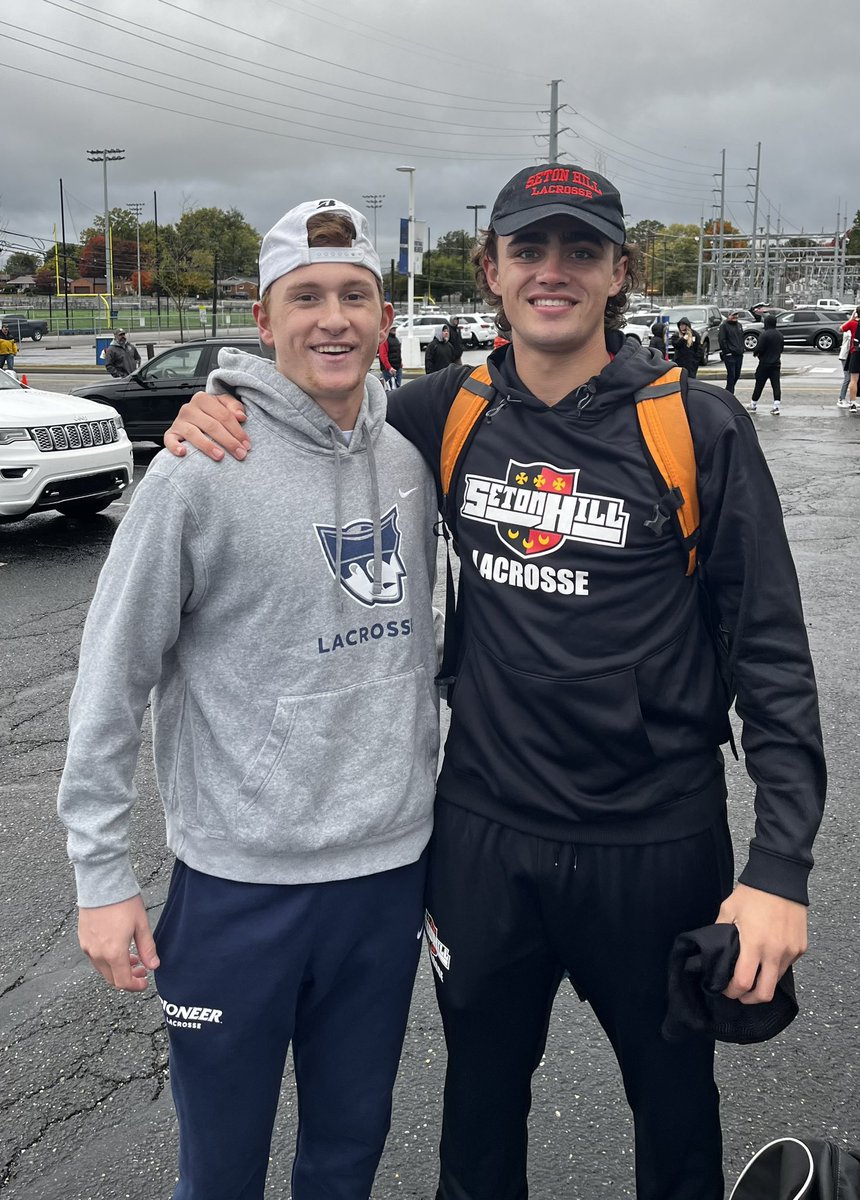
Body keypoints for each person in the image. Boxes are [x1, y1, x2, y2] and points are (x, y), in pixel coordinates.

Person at [164, 164, 825, 1200]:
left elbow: (772, 658)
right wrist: (215, 404)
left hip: (652, 839)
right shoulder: (441, 413)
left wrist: (778, 866)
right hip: (482, 838)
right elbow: (319, 399)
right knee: (474, 1125)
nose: (550, 272)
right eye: (528, 249)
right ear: (491, 270)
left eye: (579, 250)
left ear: (619, 271)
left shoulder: (694, 428)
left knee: (674, 1116)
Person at [57, 198, 441, 1200]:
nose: (332, 319)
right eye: (304, 297)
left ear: (383, 314)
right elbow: (110, 680)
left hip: (385, 875)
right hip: (238, 888)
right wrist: (100, 877)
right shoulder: (195, 470)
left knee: (347, 1151)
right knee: (219, 1170)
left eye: (354, 295)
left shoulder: (407, 462)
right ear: (262, 323)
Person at [749, 312, 785, 415]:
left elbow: (759, 348)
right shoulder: (779, 335)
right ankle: (776, 406)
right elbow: (781, 349)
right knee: (776, 385)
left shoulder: (764, 335)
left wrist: (756, 354)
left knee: (759, 384)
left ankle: (753, 404)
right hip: (776, 364)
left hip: (764, 363)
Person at [718, 309, 745, 394]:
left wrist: (742, 348)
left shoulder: (739, 325)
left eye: (736, 315)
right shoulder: (724, 326)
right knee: (731, 375)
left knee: (737, 374)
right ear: (729, 316)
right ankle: (730, 393)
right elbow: (722, 340)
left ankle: (727, 391)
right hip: (730, 355)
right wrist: (727, 352)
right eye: (733, 315)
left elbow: (741, 338)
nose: (735, 317)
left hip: (739, 354)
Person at [840, 308, 860, 412]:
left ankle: (852, 403)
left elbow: (841, 329)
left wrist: (852, 318)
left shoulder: (853, 323)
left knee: (853, 380)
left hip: (856, 353)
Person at [838, 324, 853, 406]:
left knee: (853, 379)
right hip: (845, 356)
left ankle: (852, 400)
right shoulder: (848, 331)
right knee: (848, 378)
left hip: (851, 356)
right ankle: (841, 399)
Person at [387, 324, 403, 388]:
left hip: (398, 367)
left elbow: (398, 352)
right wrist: (389, 367)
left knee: (398, 388)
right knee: (390, 388)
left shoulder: (396, 339)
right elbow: (383, 356)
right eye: (392, 329)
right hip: (389, 369)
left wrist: (400, 364)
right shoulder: (386, 340)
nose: (394, 330)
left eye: (395, 329)